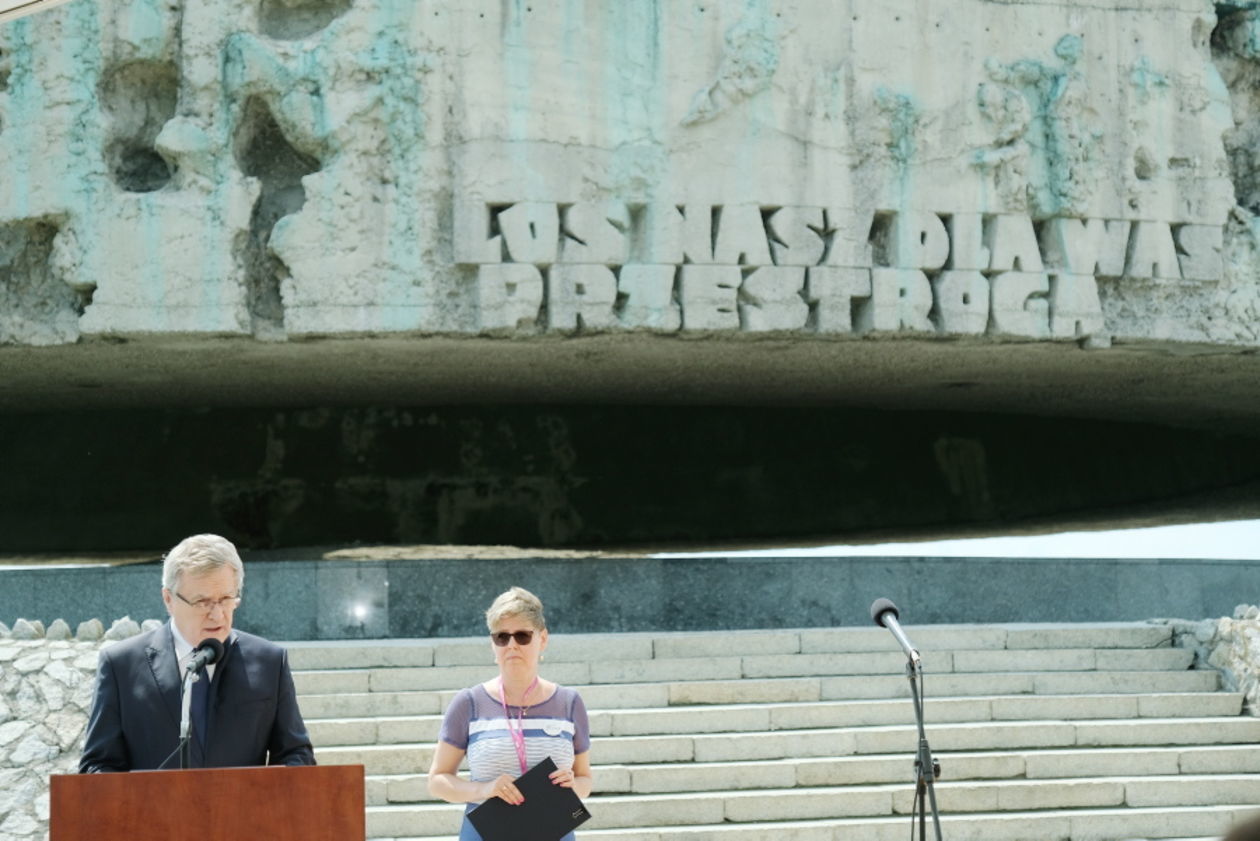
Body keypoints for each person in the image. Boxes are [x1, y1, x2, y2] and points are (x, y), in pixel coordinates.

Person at [80, 533, 315, 771]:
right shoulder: (120, 666)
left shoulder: (269, 662)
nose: (217, 614)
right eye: (203, 602)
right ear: (168, 599)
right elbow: (97, 765)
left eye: (225, 599)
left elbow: (296, 755)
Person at [428, 586, 593, 841]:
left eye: (523, 636)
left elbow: (585, 780)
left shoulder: (569, 702)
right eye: (502, 637)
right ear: (492, 645)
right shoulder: (469, 702)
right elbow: (438, 780)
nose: (512, 645)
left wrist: (573, 785)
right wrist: (485, 789)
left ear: (543, 639)